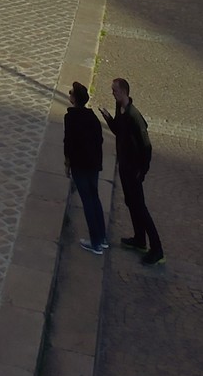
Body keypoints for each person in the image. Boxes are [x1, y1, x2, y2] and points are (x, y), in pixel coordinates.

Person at [105, 78, 163, 264]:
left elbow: (146, 146)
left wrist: (142, 170)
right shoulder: (120, 109)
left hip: (133, 170)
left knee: (140, 208)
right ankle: (139, 239)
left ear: (123, 92)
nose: (112, 93)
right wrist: (108, 118)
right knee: (131, 203)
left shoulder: (134, 116)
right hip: (124, 166)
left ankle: (157, 249)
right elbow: (119, 131)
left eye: (114, 90)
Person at [62, 80, 109, 255]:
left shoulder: (71, 117)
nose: (69, 94)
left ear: (75, 98)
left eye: (71, 92)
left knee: (87, 201)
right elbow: (100, 139)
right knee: (95, 198)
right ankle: (102, 238)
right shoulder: (92, 117)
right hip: (93, 163)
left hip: (80, 164)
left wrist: (67, 163)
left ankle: (95, 243)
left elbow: (68, 142)